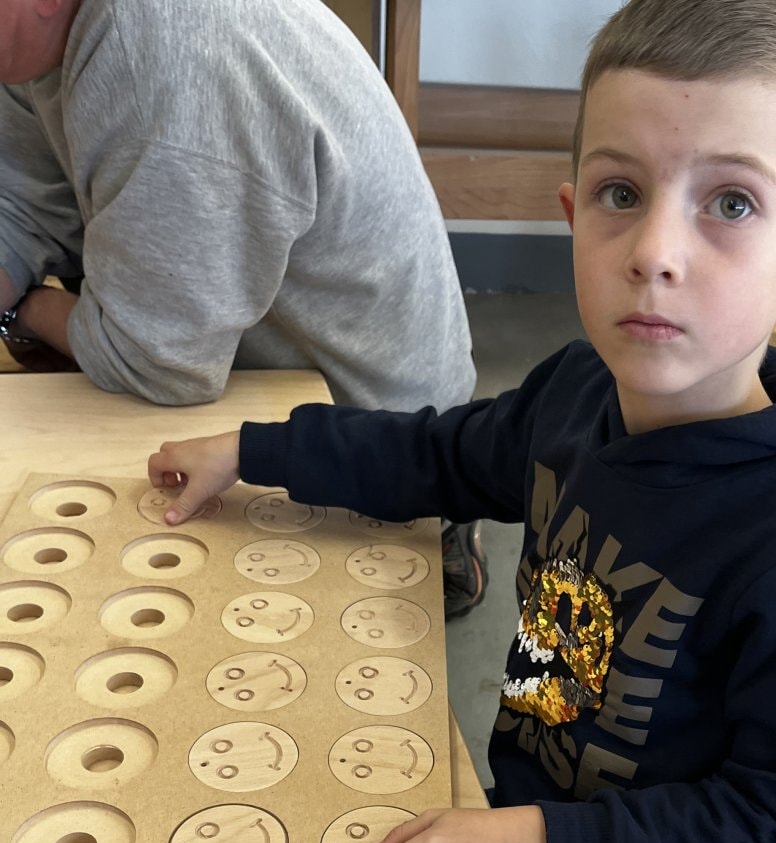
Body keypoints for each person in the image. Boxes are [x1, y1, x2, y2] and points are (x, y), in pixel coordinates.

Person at [147, 0, 776, 843]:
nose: (654, 252)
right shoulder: (577, 393)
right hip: (519, 817)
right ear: (573, 214)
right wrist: (255, 449)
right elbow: (439, 455)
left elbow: (766, 819)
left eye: (731, 203)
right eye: (621, 194)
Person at [0, 0, 485, 618]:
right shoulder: (32, 40)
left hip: (377, 422)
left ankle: (437, 523)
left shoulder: (163, 59)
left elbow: (157, 362)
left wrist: (25, 311)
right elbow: (29, 203)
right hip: (233, 341)